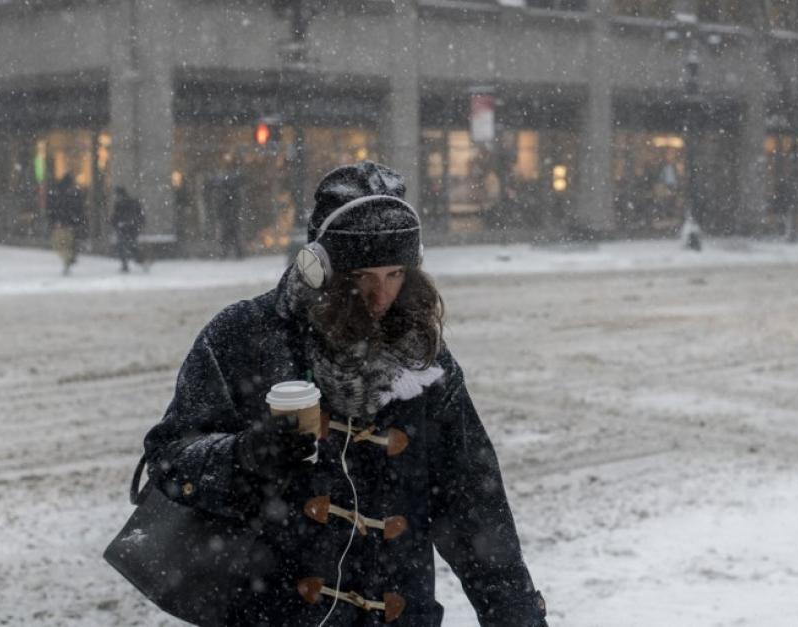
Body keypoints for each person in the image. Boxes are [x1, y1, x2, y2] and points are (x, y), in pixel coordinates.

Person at [143, 161, 548, 626]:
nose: (381, 296)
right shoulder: (244, 336)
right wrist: (247, 456)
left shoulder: (423, 360)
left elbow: (473, 506)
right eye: (362, 276)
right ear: (320, 268)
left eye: (395, 274)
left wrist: (517, 617)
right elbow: (169, 459)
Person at [47, 173, 86, 275]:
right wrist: (78, 221)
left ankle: (67, 260)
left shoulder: (57, 192)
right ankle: (69, 259)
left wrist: (54, 220)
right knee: (68, 244)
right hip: (69, 224)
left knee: (61, 244)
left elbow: (53, 208)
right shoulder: (73, 192)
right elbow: (78, 208)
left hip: (61, 224)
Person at [202, 169, 245, 259]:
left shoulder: (224, 194)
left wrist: (222, 213)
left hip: (228, 218)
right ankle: (236, 253)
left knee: (227, 236)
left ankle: (227, 253)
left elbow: (221, 206)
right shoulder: (232, 193)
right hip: (231, 218)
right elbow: (237, 204)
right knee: (232, 236)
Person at [111, 186, 145, 273]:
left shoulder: (121, 203)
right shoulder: (132, 202)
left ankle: (129, 263)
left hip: (125, 228)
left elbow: (116, 216)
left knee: (124, 246)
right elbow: (139, 214)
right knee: (130, 245)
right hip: (130, 228)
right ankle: (138, 260)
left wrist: (115, 223)